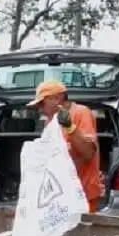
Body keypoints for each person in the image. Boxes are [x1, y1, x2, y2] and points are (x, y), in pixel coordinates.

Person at [26, 79, 103, 213]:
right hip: (61, 193)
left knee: (83, 232)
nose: (39, 109)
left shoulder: (81, 112)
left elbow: (89, 153)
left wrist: (69, 127)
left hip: (83, 192)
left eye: (41, 103)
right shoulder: (50, 121)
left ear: (55, 99)